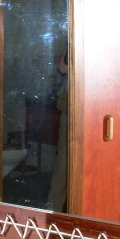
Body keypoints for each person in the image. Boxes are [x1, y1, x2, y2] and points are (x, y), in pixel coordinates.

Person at [46, 51, 68, 212]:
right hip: (71, 112)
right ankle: (54, 212)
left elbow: (62, 68)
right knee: (63, 166)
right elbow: (63, 68)